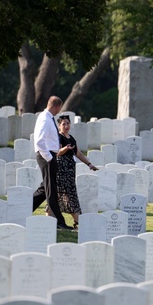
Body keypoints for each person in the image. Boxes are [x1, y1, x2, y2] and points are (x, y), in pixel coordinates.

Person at [31, 96, 72, 230]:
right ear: (56, 106)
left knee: (44, 189)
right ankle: (58, 221)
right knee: (51, 190)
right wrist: (49, 158)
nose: (59, 111)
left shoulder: (48, 118)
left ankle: (23, 209)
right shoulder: (45, 119)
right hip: (46, 155)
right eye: (59, 108)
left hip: (49, 155)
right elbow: (39, 141)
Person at [51, 114, 97, 227]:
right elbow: (57, 152)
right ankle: (76, 221)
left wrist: (89, 164)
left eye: (68, 123)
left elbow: (78, 153)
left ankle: (75, 221)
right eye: (63, 124)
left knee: (69, 194)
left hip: (70, 172)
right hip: (61, 171)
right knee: (62, 194)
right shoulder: (59, 137)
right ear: (59, 125)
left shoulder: (71, 138)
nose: (66, 126)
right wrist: (65, 148)